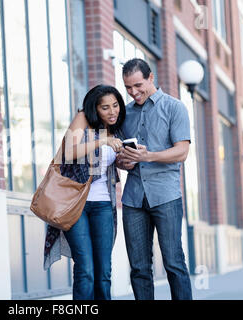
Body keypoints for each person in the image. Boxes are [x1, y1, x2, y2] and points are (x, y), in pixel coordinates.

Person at [116, 58, 193, 300]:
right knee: (139, 268)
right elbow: (118, 155)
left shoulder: (174, 107)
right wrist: (124, 161)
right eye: (128, 87)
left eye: (138, 85)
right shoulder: (125, 114)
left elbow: (182, 151)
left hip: (166, 195)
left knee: (174, 263)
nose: (133, 92)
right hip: (133, 198)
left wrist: (148, 156)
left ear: (151, 78)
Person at [43, 84, 126, 300]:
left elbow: (116, 165)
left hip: (103, 206)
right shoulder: (83, 120)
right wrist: (104, 140)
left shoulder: (117, 127)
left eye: (115, 105)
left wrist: (132, 159)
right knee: (86, 269)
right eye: (105, 107)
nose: (112, 111)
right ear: (94, 109)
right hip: (76, 204)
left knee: (104, 272)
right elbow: (68, 153)